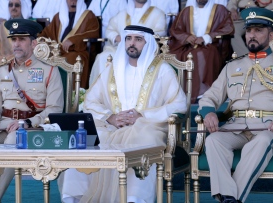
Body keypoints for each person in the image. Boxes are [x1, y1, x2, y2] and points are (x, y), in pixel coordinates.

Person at [58, 25, 187, 203]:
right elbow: (90, 101)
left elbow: (180, 104)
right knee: (85, 141)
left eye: (138, 39)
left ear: (147, 43)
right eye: (128, 38)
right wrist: (110, 117)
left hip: (146, 126)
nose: (132, 43)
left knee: (145, 141)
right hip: (112, 127)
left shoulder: (162, 70)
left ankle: (135, 199)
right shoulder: (112, 70)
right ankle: (74, 197)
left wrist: (142, 116)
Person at [198, 7, 273, 203]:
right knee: (213, 141)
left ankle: (229, 198)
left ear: (270, 34)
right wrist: (209, 114)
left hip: (270, 127)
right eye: (249, 31)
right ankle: (230, 197)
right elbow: (208, 98)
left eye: (258, 30)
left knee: (260, 142)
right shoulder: (232, 66)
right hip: (236, 126)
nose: (252, 35)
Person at [0, 18, 64, 203]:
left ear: (33, 43)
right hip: (3, 126)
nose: (16, 44)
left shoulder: (49, 70)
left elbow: (55, 109)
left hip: (31, 129)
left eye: (22, 39)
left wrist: (28, 122)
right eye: (14, 39)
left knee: (15, 139)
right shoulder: (3, 70)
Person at [168, 0, 234, 103]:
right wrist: (186, 37)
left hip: (211, 45)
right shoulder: (186, 11)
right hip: (187, 46)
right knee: (173, 55)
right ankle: (180, 95)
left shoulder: (220, 10)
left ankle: (204, 93)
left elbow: (228, 28)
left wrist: (206, 37)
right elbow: (176, 30)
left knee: (205, 53)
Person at [88, 0, 166, 86]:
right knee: (102, 57)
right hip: (119, 48)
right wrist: (117, 37)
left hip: (142, 50)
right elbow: (110, 29)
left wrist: (141, 40)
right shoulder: (123, 13)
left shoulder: (158, 13)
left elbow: (160, 32)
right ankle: (101, 93)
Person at [38, 0, 99, 89]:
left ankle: (71, 95)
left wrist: (73, 40)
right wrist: (38, 40)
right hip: (57, 52)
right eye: (70, 0)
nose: (73, 2)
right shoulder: (58, 17)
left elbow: (93, 34)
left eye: (75, 0)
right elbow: (46, 33)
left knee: (70, 59)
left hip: (77, 52)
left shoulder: (89, 16)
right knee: (41, 58)